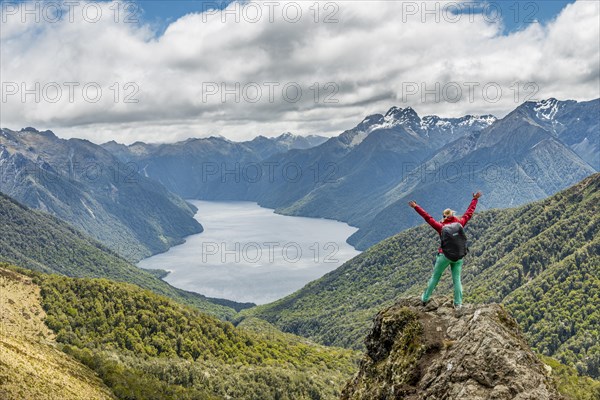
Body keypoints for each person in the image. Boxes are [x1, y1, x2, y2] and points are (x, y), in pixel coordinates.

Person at [408, 191, 482, 309]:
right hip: (458, 256)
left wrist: (416, 207)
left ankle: (424, 299)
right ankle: (458, 304)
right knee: (457, 279)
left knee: (435, 277)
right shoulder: (460, 223)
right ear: (453, 215)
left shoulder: (441, 227)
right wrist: (475, 199)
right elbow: (469, 213)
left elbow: (427, 217)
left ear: (444, 216)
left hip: (444, 256)